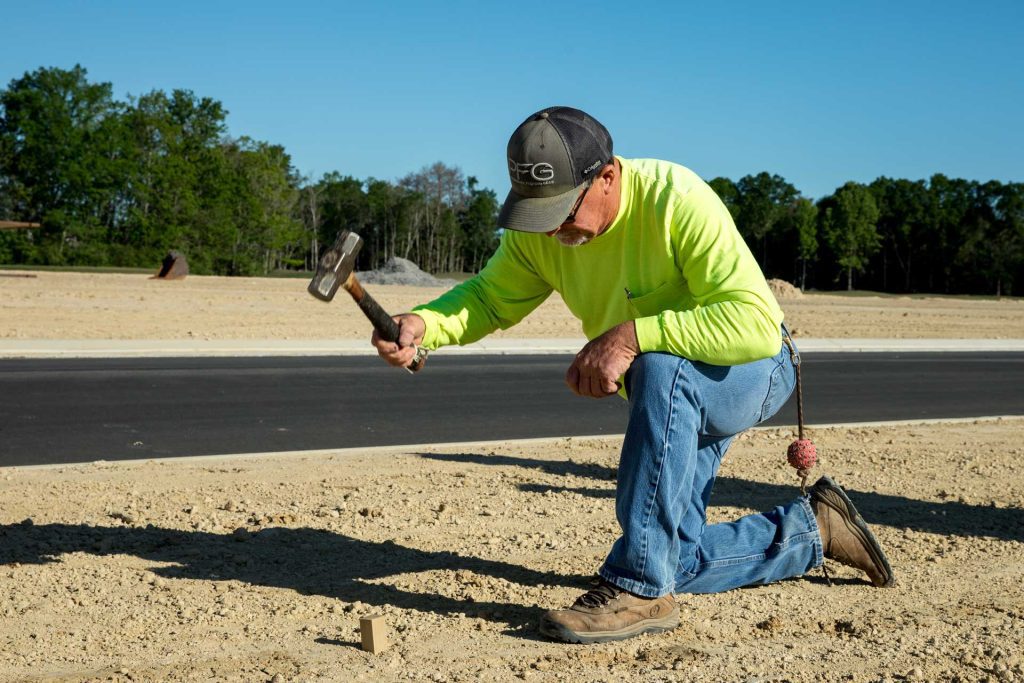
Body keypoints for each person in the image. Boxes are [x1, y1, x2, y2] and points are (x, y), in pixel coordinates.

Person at [371, 106, 894, 644]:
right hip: (671, 396)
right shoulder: (540, 229)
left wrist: (629, 336)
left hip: (751, 371)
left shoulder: (675, 200)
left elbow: (755, 324)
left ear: (608, 176)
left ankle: (638, 589)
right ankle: (812, 531)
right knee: (677, 559)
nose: (551, 228)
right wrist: (424, 323)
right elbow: (487, 297)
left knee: (660, 365)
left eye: (561, 209)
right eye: (537, 213)